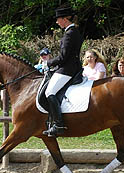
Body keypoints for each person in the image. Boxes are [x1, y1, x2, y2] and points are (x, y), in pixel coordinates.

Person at [42, 6, 83, 137]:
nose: (57, 22)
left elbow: (63, 57)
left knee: (49, 92)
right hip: (71, 67)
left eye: (58, 19)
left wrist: (48, 63)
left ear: (65, 19)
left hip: (67, 69)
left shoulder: (69, 34)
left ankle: (58, 124)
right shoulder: (74, 31)